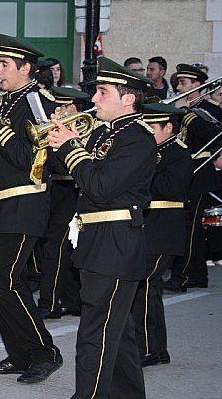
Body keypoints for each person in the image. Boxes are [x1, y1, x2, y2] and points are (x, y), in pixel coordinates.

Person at [48, 57, 156, 398]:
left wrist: (70, 146)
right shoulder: (109, 134)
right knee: (118, 332)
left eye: (102, 92)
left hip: (115, 244)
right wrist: (60, 138)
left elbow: (99, 186)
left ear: (128, 99)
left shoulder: (137, 138)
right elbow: (66, 172)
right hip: (97, 241)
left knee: (94, 334)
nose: (93, 99)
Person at [0, 34, 62, 384]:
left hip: (23, 203)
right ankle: (21, 354)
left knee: (4, 280)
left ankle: (45, 351)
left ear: (25, 67)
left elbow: (27, 158)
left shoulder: (39, 104)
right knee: (4, 284)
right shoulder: (4, 101)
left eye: (5, 65)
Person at [131, 102, 192, 368]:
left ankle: (146, 347)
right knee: (150, 288)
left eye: (152, 127)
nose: (147, 132)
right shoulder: (154, 150)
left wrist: (141, 172)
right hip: (149, 228)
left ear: (169, 128)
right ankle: (158, 349)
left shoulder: (177, 153)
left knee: (143, 284)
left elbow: (169, 188)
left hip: (164, 230)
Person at [164, 64, 222, 292]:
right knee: (187, 226)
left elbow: (211, 134)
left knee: (190, 227)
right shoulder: (188, 108)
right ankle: (196, 274)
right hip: (185, 171)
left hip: (200, 174)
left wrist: (186, 113)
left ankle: (185, 274)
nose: (179, 87)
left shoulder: (209, 109)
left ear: (197, 86)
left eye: (183, 83)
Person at [37, 86, 89, 320]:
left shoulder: (86, 131)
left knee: (58, 249)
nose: (58, 111)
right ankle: (66, 300)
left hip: (73, 190)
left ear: (75, 108)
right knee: (55, 248)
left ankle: (51, 302)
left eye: (64, 106)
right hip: (55, 189)